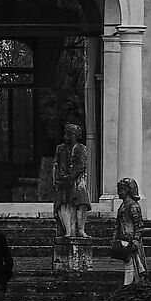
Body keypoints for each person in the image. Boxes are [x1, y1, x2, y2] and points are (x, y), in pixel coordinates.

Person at [52, 117, 91, 275]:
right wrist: (55, 179)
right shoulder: (60, 148)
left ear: (76, 135)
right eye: (66, 132)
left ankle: (80, 229)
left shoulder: (81, 148)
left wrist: (70, 177)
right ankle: (68, 230)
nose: (66, 135)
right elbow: (55, 164)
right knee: (63, 204)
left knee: (81, 203)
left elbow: (81, 165)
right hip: (63, 182)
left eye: (70, 133)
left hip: (77, 182)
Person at [112, 176, 147, 285]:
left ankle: (128, 286)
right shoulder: (123, 206)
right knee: (129, 264)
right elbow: (118, 224)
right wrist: (115, 237)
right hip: (125, 239)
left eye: (121, 190)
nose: (118, 192)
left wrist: (136, 239)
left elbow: (139, 225)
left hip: (131, 240)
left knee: (133, 265)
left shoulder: (133, 206)